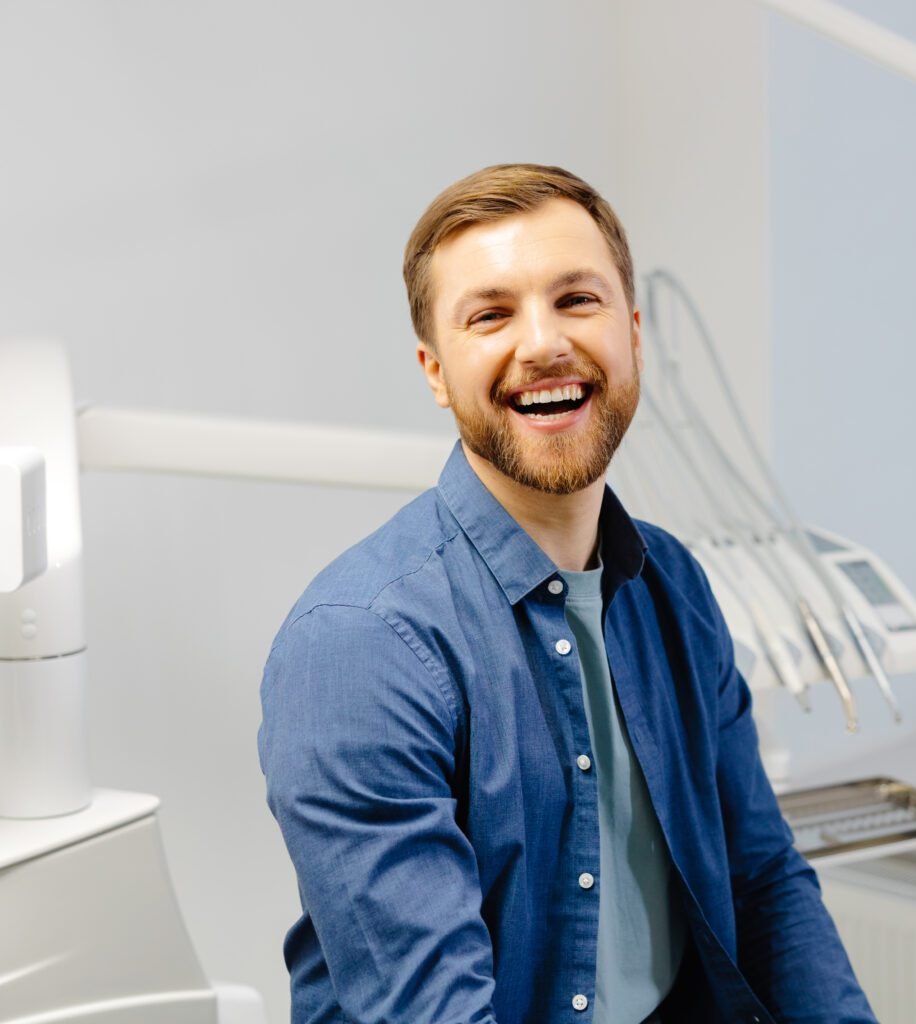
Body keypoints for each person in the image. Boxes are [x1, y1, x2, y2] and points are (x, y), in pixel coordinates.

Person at [257, 164, 877, 1024]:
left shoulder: (676, 590)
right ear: (437, 371)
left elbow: (766, 883)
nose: (544, 343)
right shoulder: (362, 646)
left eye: (576, 301)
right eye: (491, 314)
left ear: (632, 335)